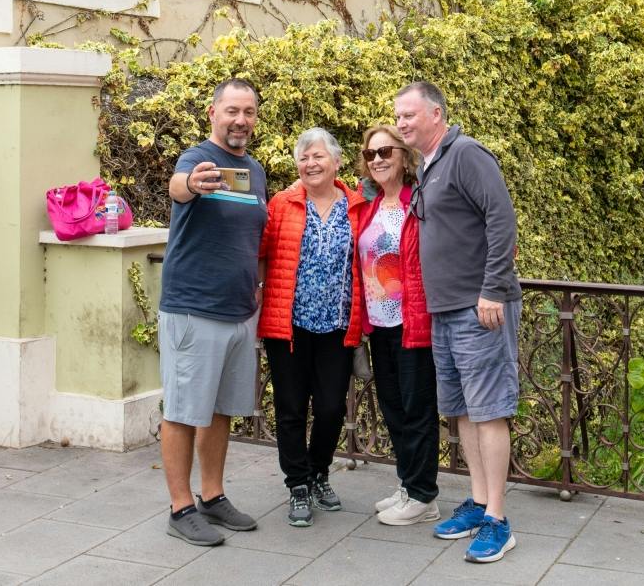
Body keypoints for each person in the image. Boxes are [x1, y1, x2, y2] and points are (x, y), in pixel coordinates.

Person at [394, 80, 522, 564]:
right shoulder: (429, 165)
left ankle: (498, 520)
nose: (402, 123)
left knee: (488, 410)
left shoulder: (467, 154)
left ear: (436, 113)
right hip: (445, 310)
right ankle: (478, 501)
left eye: (409, 115)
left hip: (479, 306)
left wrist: (492, 288)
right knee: (464, 410)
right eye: (398, 116)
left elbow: (501, 218)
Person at [158, 78, 269, 547]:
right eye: (231, 111)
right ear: (213, 113)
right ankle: (180, 507)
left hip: (239, 312)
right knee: (184, 411)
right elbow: (178, 187)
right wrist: (190, 183)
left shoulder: (256, 170)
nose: (240, 120)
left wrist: (258, 285)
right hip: (193, 308)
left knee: (221, 409)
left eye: (248, 112)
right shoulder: (197, 158)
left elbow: (253, 236)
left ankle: (213, 495)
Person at [257, 128, 367, 527]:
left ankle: (319, 472)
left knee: (331, 407)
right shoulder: (281, 204)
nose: (310, 163)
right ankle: (298, 485)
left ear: (336, 162)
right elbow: (260, 253)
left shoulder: (356, 206)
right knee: (289, 408)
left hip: (337, 326)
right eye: (303, 158)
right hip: (288, 326)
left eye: (318, 156)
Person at [349, 124, 440, 527]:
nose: (379, 159)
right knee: (393, 407)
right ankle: (409, 485)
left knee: (417, 408)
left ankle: (423, 495)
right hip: (379, 325)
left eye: (386, 151)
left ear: (404, 156)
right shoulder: (367, 207)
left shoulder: (417, 201)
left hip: (413, 323)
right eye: (371, 155)